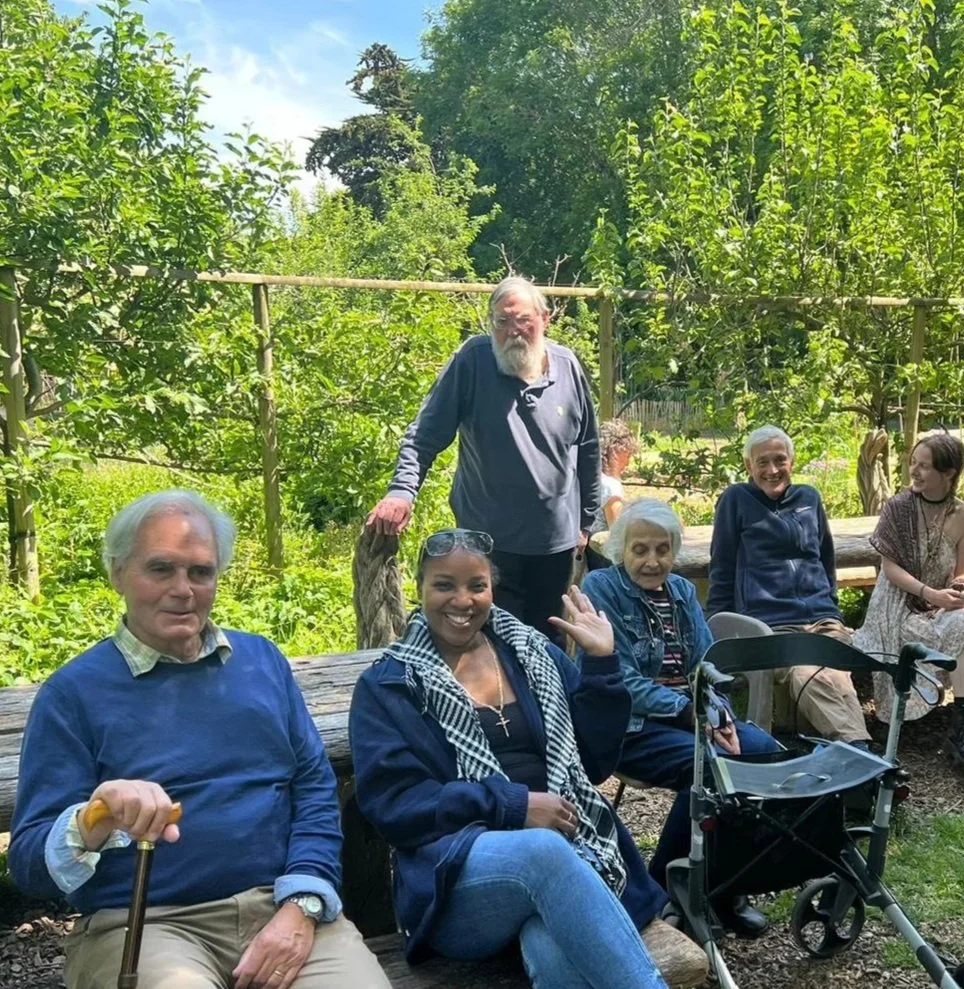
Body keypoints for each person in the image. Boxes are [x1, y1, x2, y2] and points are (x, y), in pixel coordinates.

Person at [9, 491, 388, 989]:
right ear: (118, 572)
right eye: (160, 569)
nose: (183, 589)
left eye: (200, 572)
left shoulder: (262, 662)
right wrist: (94, 816)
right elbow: (29, 863)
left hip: (279, 906)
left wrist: (302, 904)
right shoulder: (73, 693)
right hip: (144, 924)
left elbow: (314, 789)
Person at [349, 529, 705, 988]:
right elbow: (395, 808)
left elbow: (593, 764)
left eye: (476, 585)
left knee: (555, 952)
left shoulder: (533, 652)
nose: (462, 599)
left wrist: (600, 663)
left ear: (491, 589)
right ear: (420, 587)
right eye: (444, 585)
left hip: (572, 860)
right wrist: (513, 807)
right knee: (542, 851)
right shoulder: (389, 685)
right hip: (455, 883)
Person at [582, 499, 782, 938]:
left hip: (691, 719)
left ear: (674, 551)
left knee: (763, 752)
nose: (652, 561)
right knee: (709, 769)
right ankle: (662, 891)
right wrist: (688, 711)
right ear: (622, 550)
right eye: (640, 550)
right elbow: (618, 678)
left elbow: (705, 663)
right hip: (629, 727)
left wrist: (718, 713)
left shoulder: (683, 592)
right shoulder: (601, 587)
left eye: (661, 549)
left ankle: (722, 885)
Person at [366, 275, 601, 645]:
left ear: (545, 319)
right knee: (491, 647)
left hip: (554, 544)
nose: (513, 331)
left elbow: (588, 447)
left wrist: (589, 521)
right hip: (488, 543)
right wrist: (401, 492)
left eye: (522, 320)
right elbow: (424, 435)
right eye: (502, 322)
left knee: (549, 648)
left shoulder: (567, 366)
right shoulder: (473, 361)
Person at [706, 425, 872, 744]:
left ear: (791, 463)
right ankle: (859, 749)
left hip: (823, 619)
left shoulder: (809, 497)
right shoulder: (735, 500)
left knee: (830, 670)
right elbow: (722, 567)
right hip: (771, 626)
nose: (772, 470)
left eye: (780, 460)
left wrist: (831, 608)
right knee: (807, 671)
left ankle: (850, 754)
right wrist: (718, 630)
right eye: (762, 462)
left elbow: (826, 559)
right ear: (748, 466)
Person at [853, 434, 964, 773]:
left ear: (948, 473)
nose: (915, 472)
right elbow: (889, 568)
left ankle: (963, 727)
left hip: (932, 608)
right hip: (893, 609)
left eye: (925, 466)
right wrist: (930, 593)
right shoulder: (898, 508)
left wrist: (959, 588)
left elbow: (961, 572)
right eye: (914, 464)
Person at [584, 418, 640, 571]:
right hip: (605, 560)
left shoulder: (589, 479)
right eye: (627, 455)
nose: (627, 464)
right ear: (615, 451)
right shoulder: (610, 486)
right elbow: (618, 530)